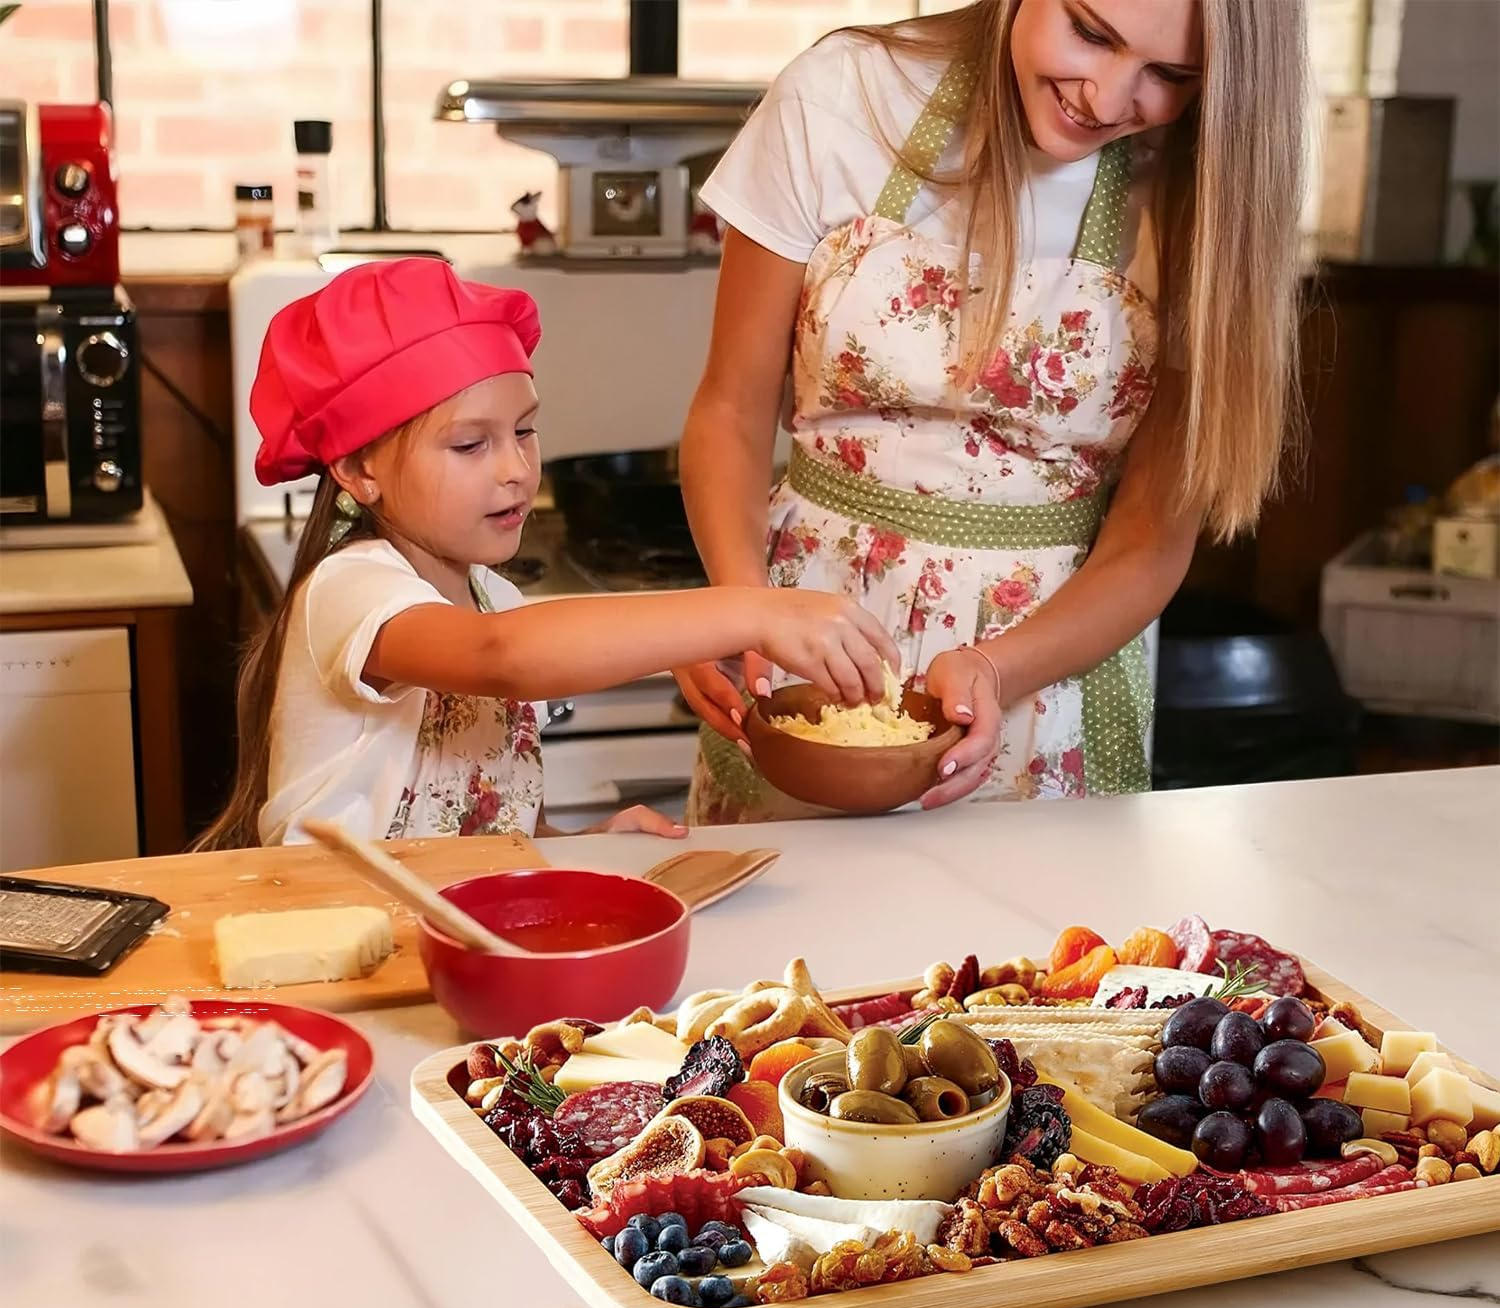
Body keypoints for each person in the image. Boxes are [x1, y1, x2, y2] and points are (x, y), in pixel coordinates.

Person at [674, 0, 1307, 823]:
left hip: (1047, 674)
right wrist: (741, 605)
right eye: (1090, 32)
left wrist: (1000, 668)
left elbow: (1151, 538)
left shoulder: (1206, 186)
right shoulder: (844, 95)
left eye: (1171, 75)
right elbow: (730, 409)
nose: (1107, 98)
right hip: (801, 634)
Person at [197, 258, 896, 849]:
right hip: (333, 929)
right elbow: (504, 656)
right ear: (357, 469)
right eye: (471, 444)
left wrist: (584, 844)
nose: (516, 470)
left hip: (445, 935)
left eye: (525, 432)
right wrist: (751, 613)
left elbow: (496, 829)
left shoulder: (493, 597)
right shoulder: (351, 589)